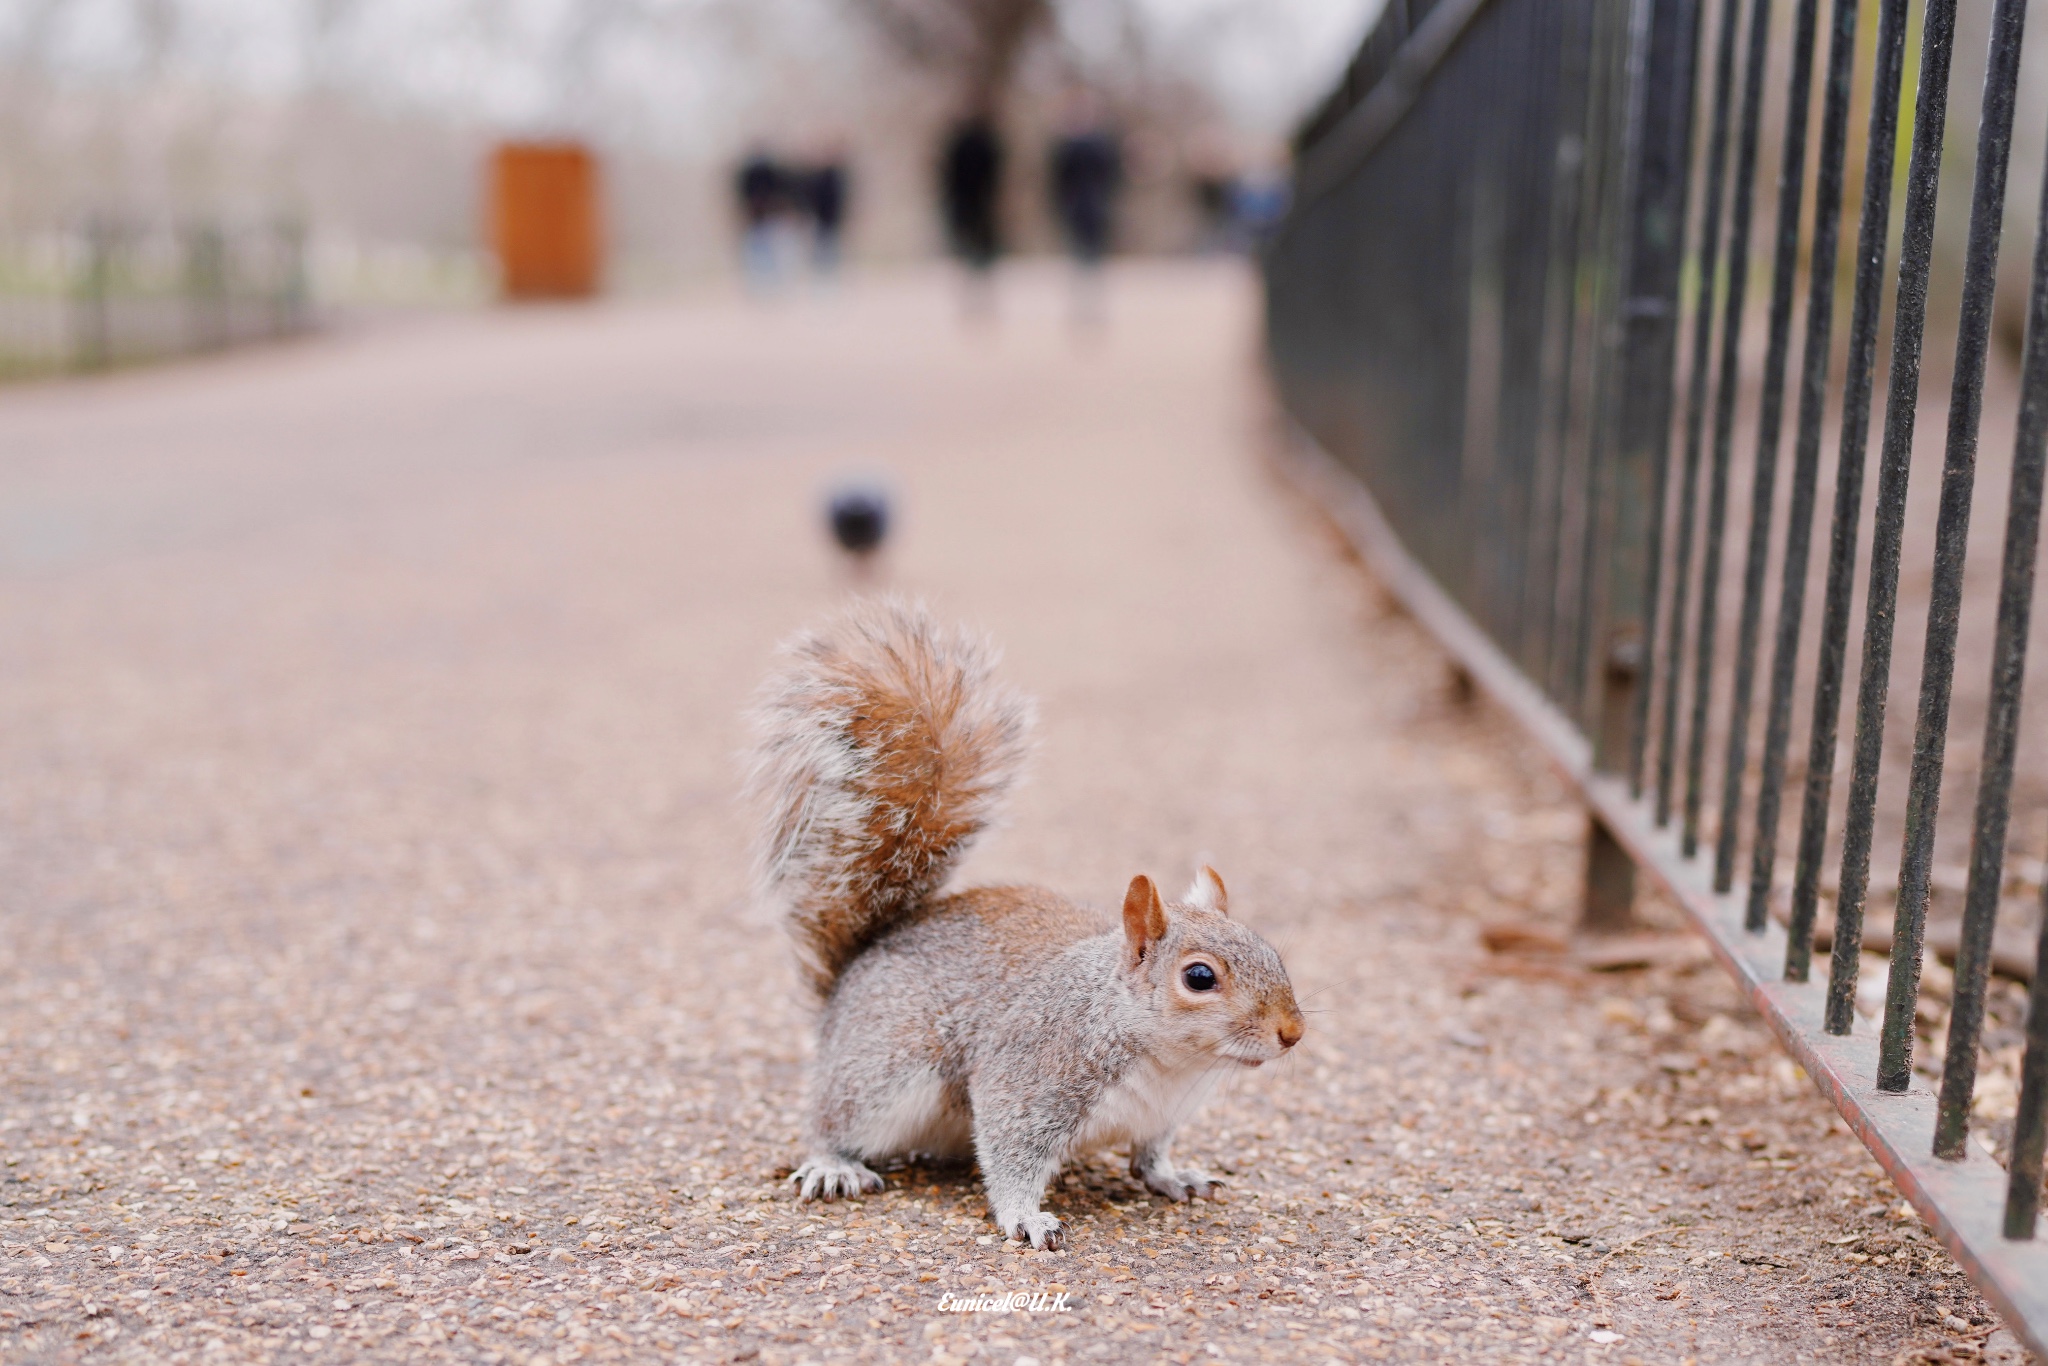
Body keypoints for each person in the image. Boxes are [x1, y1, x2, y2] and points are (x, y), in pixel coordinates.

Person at [1048, 98, 1121, 329]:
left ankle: (1085, 302)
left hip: (1082, 206)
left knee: (1084, 255)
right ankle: (1089, 302)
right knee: (1088, 255)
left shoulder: (1072, 145)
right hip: (1093, 206)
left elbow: (1058, 179)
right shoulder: (1099, 144)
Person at [939, 115, 1004, 317]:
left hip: (971, 205)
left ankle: (976, 297)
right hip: (977, 204)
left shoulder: (965, 144)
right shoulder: (984, 144)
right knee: (975, 253)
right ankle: (977, 297)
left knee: (973, 252)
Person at [735, 147, 789, 293]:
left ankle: (770, 284)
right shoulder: (750, 174)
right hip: (756, 220)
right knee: (757, 254)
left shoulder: (770, 174)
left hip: (768, 219)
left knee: (769, 253)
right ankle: (760, 285)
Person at [804, 150, 849, 279]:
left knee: (830, 251)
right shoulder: (818, 178)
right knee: (821, 250)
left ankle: (830, 277)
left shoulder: (835, 177)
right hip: (821, 219)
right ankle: (821, 277)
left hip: (831, 219)